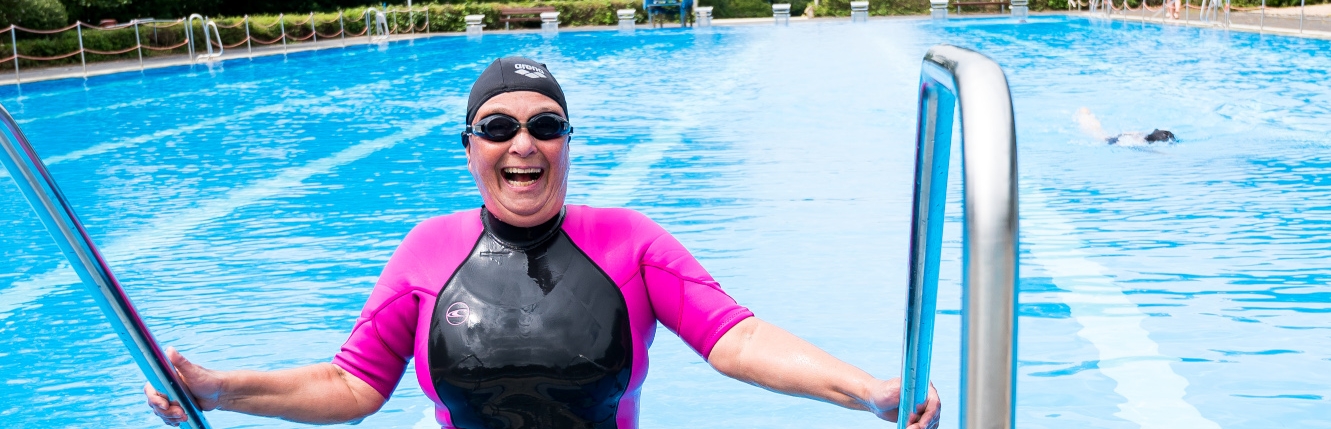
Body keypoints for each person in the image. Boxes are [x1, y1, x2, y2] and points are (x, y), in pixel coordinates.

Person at [144, 57, 941, 429]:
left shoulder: (628, 241)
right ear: (470, 147)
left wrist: (867, 392)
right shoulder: (426, 250)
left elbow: (736, 337)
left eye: (545, 126)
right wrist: (218, 390)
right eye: (499, 127)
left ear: (566, 142)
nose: (522, 143)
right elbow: (352, 386)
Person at [1076, 107, 1176, 146]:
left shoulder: (1145, 137)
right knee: (1098, 134)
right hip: (1115, 140)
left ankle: (1085, 114)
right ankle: (1084, 115)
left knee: (1098, 131)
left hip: (1125, 136)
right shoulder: (1139, 142)